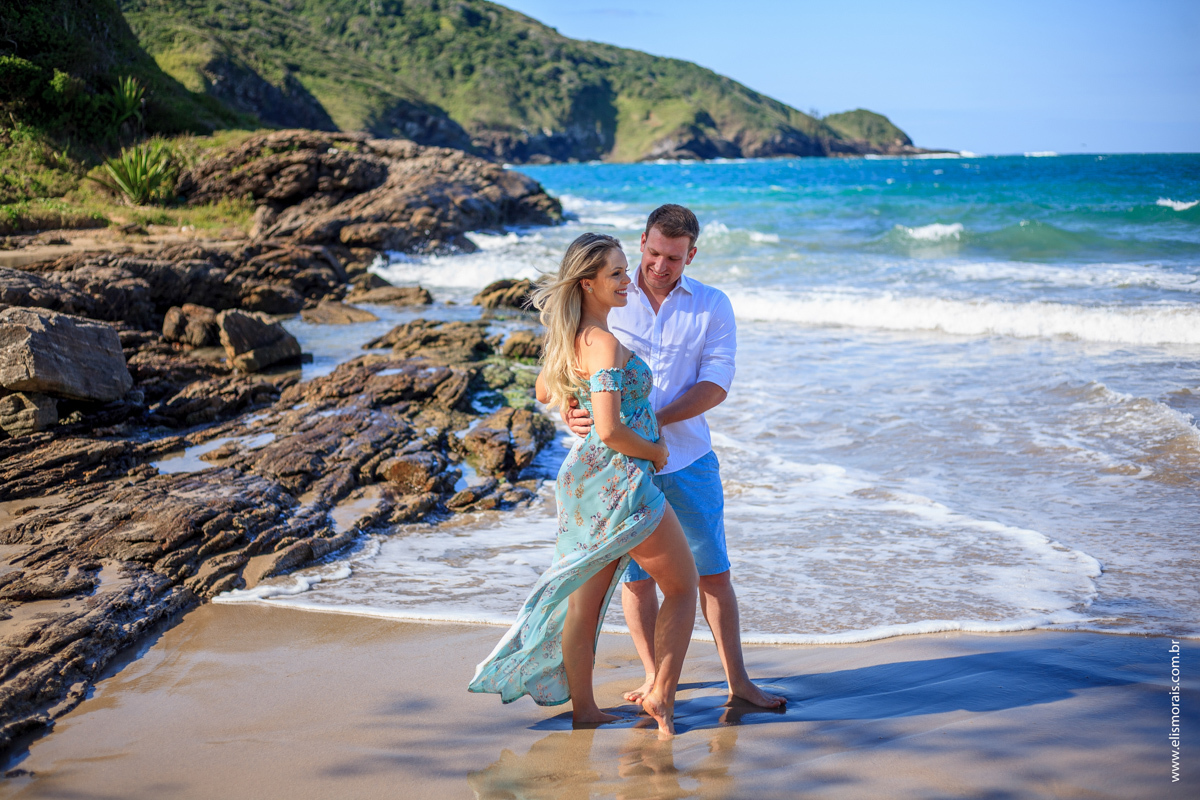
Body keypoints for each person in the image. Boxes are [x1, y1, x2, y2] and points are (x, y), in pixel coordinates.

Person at [469, 232, 699, 738]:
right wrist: (658, 450)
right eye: (616, 273)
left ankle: (586, 710)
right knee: (683, 588)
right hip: (619, 481)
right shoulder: (604, 344)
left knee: (583, 600)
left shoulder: (569, 339)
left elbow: (546, 389)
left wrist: (576, 409)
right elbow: (614, 431)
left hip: (582, 482)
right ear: (588, 283)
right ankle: (661, 694)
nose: (626, 281)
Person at [564, 205, 785, 710]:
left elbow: (716, 384)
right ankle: (652, 678)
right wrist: (573, 413)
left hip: (688, 460)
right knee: (638, 581)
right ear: (642, 241)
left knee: (713, 575)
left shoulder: (711, 304)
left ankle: (739, 682)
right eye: (654, 253)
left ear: (692, 255)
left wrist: (651, 422)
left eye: (674, 258)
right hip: (621, 467)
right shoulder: (612, 291)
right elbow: (570, 363)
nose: (660, 267)